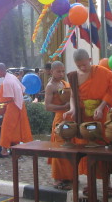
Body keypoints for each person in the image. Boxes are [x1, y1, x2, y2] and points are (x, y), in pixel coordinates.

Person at [64, 49, 112, 198]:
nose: (82, 68)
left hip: (100, 117)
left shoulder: (103, 72)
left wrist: (101, 107)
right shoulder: (74, 76)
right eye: (79, 65)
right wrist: (73, 109)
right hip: (83, 118)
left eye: (84, 64)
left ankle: (107, 183)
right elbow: (73, 96)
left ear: (90, 59)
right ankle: (90, 182)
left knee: (103, 148)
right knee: (86, 150)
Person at [0, 63, 32, 157]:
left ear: (0, 71)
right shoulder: (12, 77)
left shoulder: (7, 81)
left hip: (13, 106)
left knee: (6, 128)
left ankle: (4, 151)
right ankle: (15, 149)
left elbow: (9, 98)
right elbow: (22, 89)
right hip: (19, 105)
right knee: (15, 128)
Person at [44, 61, 72, 190]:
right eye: (58, 71)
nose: (61, 73)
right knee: (59, 148)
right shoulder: (50, 86)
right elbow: (47, 106)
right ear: (52, 71)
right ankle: (57, 178)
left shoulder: (63, 83)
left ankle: (68, 176)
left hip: (69, 118)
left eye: (63, 71)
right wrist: (63, 107)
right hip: (60, 119)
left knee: (69, 147)